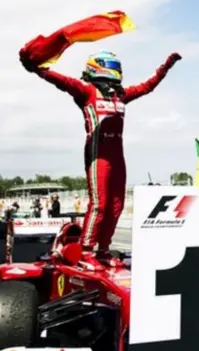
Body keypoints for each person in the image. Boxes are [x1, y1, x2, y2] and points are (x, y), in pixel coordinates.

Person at [22, 50, 181, 268]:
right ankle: (86, 251)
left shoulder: (121, 95)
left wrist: (167, 65)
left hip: (118, 156)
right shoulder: (87, 91)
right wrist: (39, 70)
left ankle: (104, 250)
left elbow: (148, 86)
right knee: (100, 204)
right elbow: (63, 81)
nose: (116, 70)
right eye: (112, 66)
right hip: (98, 155)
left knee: (117, 205)